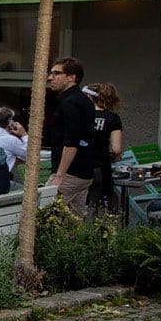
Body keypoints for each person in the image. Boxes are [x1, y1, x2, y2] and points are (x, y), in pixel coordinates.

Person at [46, 58, 95, 215]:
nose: (50, 77)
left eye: (56, 73)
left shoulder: (71, 102)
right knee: (74, 222)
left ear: (71, 77)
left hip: (70, 173)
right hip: (83, 172)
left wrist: (59, 176)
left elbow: (71, 142)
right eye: (51, 73)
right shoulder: (84, 100)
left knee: (44, 215)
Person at [84, 84, 125, 214]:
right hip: (100, 167)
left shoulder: (82, 116)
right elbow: (116, 148)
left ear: (90, 97)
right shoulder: (113, 118)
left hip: (80, 167)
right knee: (98, 206)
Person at [0, 106, 30, 173]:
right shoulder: (10, 140)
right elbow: (29, 155)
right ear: (10, 122)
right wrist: (24, 134)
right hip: (1, 179)